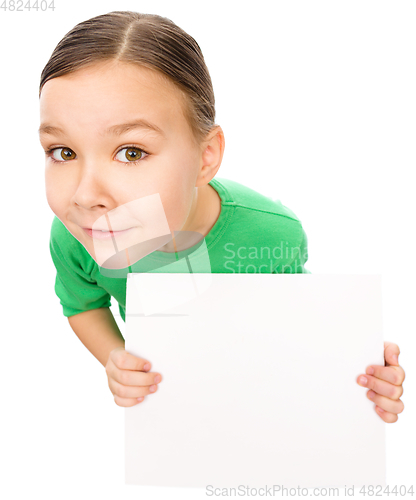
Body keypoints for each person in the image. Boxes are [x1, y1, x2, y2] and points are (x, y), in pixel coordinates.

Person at [39, 11, 405, 422]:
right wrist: (115, 357)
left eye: (131, 152)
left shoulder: (271, 232)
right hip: (178, 419)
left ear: (205, 157)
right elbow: (83, 304)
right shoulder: (76, 236)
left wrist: (359, 364)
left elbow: (301, 322)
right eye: (63, 152)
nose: (86, 196)